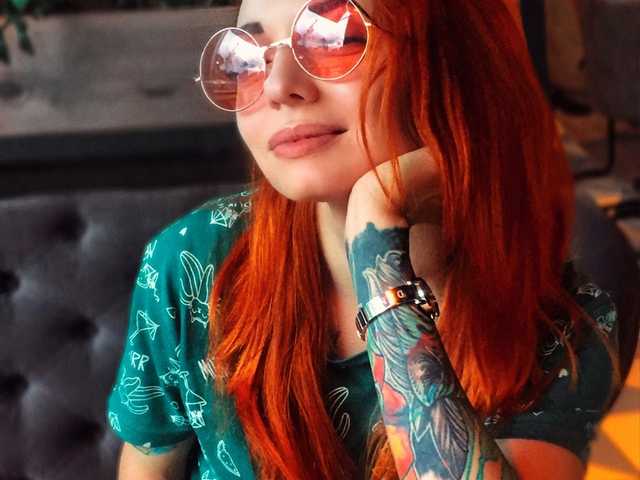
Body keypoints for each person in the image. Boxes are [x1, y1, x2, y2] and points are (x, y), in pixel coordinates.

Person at [106, 0, 621, 478]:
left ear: (453, 63)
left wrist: (376, 229)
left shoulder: (562, 326)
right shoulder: (196, 262)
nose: (278, 85)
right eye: (246, 59)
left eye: (334, 38)